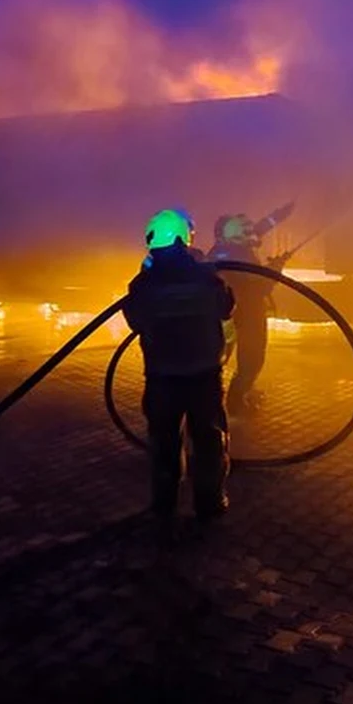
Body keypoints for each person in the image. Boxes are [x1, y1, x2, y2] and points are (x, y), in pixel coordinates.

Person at [123, 209, 235, 530]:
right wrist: (207, 274)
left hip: (161, 378)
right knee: (209, 442)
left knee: (164, 443)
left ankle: (163, 505)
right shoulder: (206, 276)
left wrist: (147, 277)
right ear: (186, 237)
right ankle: (210, 503)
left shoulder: (143, 283)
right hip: (203, 376)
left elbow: (134, 320)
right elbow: (227, 307)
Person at [208, 201, 295, 415]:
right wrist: (276, 268)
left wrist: (279, 214)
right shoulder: (243, 255)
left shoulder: (218, 251)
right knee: (252, 360)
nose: (254, 239)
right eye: (249, 236)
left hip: (221, 317)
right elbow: (259, 287)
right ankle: (237, 402)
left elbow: (259, 228)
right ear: (239, 236)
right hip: (248, 316)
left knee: (215, 361)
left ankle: (210, 403)